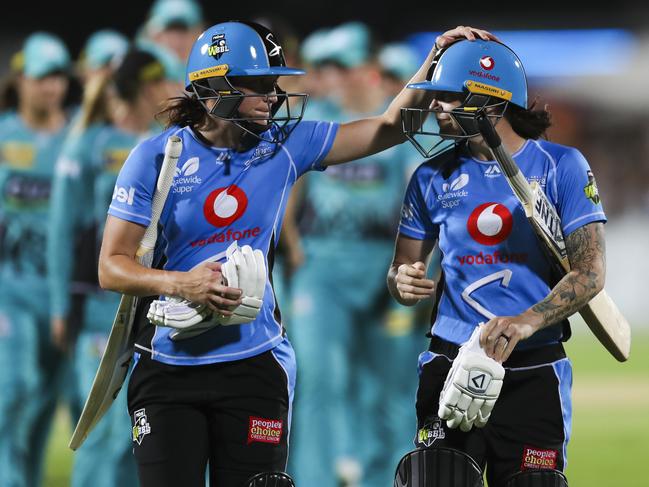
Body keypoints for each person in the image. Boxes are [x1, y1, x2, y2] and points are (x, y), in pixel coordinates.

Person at [100, 21, 494, 487]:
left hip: (255, 364)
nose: (273, 96)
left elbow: (389, 127)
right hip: (167, 369)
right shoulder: (154, 157)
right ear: (215, 88)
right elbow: (112, 266)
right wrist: (181, 283)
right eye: (261, 85)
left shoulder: (285, 145)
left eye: (275, 84)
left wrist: (433, 58)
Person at [387, 39, 607, 486]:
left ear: (490, 101)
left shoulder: (561, 165)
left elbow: (590, 274)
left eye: (447, 96)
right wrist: (402, 282)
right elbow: (401, 270)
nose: (436, 107)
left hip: (533, 367)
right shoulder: (430, 176)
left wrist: (525, 321)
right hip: (449, 364)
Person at [285, 24, 425, 487]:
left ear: (367, 69)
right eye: (327, 68)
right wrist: (294, 249)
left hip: (384, 276)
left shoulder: (398, 132)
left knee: (391, 391)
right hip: (322, 274)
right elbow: (288, 192)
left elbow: (419, 202)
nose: (333, 77)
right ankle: (314, 480)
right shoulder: (318, 123)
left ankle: (388, 480)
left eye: (341, 67)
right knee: (320, 382)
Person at [48, 48, 176, 487]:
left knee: (138, 432)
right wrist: (59, 306)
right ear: (146, 87)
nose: (169, 90)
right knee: (101, 432)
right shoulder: (90, 144)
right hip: (101, 309)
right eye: (162, 81)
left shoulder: (171, 145)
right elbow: (63, 230)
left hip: (151, 310)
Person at [0, 32, 71, 487]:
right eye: (41, 77)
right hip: (10, 291)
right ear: (21, 79)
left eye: (58, 77)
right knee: (13, 388)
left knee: (48, 403)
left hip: (62, 295)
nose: (50, 87)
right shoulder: (4, 135)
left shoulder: (77, 139)